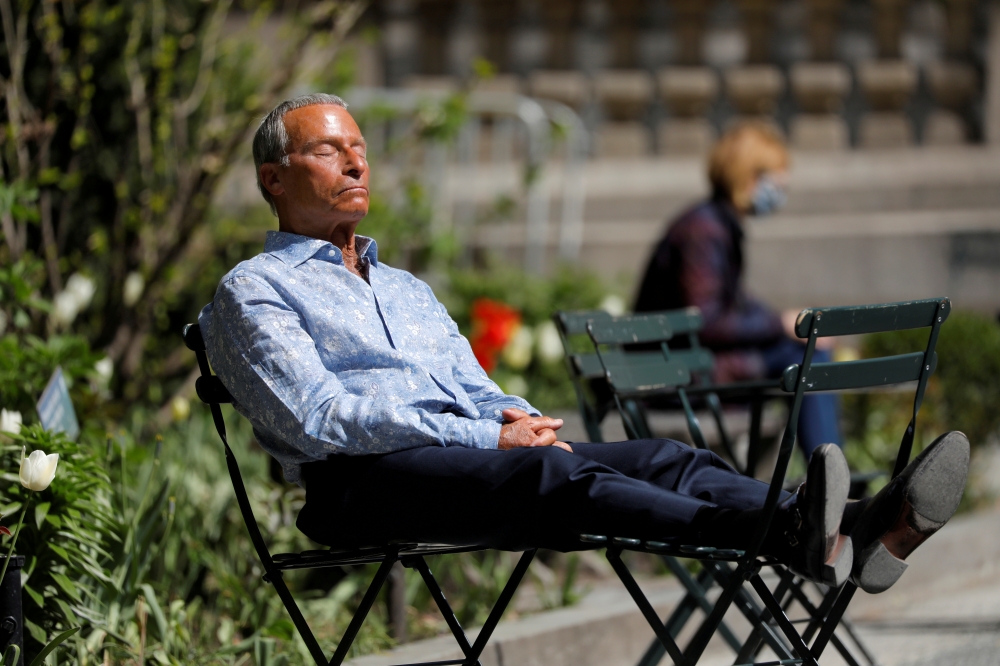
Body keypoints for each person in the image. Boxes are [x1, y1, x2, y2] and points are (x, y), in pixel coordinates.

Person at [199, 94, 969, 594]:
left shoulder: (404, 286)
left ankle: (849, 524)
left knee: (670, 458)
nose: (358, 161)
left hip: (474, 457)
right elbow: (322, 417)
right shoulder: (254, 289)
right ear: (274, 179)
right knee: (544, 474)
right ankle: (790, 533)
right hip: (359, 485)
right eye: (332, 151)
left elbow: (475, 386)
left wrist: (516, 419)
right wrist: (493, 436)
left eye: (361, 146)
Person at [634, 123, 839, 460]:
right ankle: (830, 477)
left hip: (692, 366)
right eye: (776, 176)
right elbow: (708, 321)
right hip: (678, 375)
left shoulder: (716, 224)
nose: (783, 185)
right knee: (808, 357)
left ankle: (829, 474)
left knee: (807, 349)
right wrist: (781, 324)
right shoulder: (704, 230)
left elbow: (735, 304)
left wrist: (790, 322)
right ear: (747, 177)